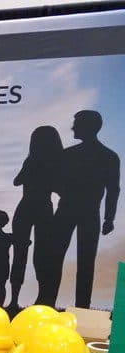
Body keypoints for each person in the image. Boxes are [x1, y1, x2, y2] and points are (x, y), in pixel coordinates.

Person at [42, 110, 120, 308]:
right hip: (78, 212)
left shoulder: (71, 155)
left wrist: (109, 218)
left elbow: (113, 189)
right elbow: (112, 190)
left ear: (87, 126)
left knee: (67, 259)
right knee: (63, 259)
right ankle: (68, 305)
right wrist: (108, 218)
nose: (73, 128)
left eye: (76, 124)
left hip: (77, 211)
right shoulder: (108, 156)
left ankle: (65, 305)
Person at [10, 126, 63, 309]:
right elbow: (59, 188)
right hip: (42, 209)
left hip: (27, 208)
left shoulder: (32, 160)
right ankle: (34, 298)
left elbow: (17, 181)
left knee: (22, 255)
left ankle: (16, 300)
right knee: (40, 255)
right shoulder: (53, 163)